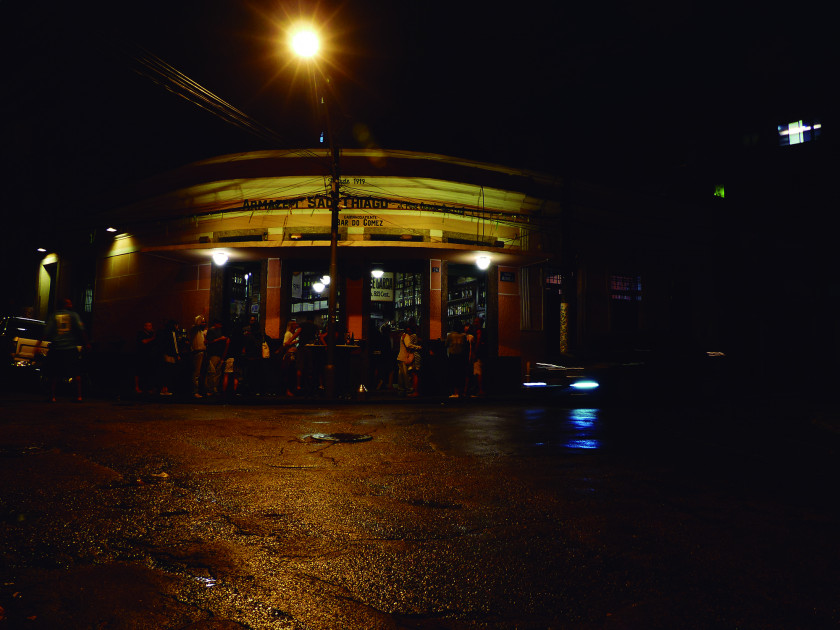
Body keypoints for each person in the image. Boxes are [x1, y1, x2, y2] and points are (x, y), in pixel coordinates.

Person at [36, 298, 89, 402]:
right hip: (70, 347)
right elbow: (81, 329)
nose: (71, 304)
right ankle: (79, 396)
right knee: (76, 371)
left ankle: (52, 396)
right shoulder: (74, 315)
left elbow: (46, 331)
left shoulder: (54, 316)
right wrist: (86, 343)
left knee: (54, 372)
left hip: (57, 347)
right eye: (69, 303)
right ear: (65, 305)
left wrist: (39, 344)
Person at [156, 319, 181, 396]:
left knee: (165, 371)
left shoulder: (164, 332)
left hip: (165, 354)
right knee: (168, 371)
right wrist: (177, 354)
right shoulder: (173, 333)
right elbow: (175, 345)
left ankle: (164, 388)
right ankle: (165, 389)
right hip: (170, 354)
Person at [445, 322, 470, 398]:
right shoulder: (463, 336)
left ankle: (455, 392)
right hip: (461, 356)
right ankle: (460, 392)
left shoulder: (450, 335)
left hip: (452, 356)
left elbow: (446, 345)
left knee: (453, 374)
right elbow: (465, 346)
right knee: (460, 374)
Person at [396, 321, 422, 397]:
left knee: (401, 376)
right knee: (406, 375)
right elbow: (408, 345)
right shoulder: (406, 336)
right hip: (404, 358)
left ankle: (401, 390)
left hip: (400, 357)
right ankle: (409, 390)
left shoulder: (403, 335)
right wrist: (418, 347)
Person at [204, 320, 229, 397]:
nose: (220, 326)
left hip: (219, 354)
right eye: (219, 324)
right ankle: (210, 389)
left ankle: (214, 388)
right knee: (212, 372)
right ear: (216, 324)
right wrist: (220, 339)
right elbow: (208, 341)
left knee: (217, 372)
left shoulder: (219, 330)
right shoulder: (211, 330)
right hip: (213, 353)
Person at [134, 321, 157, 395]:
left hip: (149, 356)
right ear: (145, 327)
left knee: (148, 372)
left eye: (151, 326)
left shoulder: (151, 334)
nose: (150, 327)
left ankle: (148, 388)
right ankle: (137, 387)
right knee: (139, 372)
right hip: (141, 355)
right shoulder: (141, 334)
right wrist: (153, 338)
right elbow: (144, 341)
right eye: (148, 326)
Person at [188, 315, 207, 398]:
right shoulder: (194, 329)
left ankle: (202, 390)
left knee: (202, 373)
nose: (204, 324)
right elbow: (196, 324)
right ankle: (195, 391)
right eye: (202, 322)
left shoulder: (201, 331)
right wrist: (200, 317)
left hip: (202, 352)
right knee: (196, 373)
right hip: (197, 352)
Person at [470, 316, 487, 396]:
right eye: (475, 322)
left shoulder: (479, 332)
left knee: (478, 372)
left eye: (476, 322)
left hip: (478, 355)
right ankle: (479, 389)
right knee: (479, 371)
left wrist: (475, 353)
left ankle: (480, 390)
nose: (475, 323)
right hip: (482, 354)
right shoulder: (483, 331)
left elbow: (478, 342)